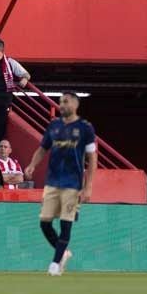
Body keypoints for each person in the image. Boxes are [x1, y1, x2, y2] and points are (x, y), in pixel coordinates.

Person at [24, 93, 97, 277]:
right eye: (60, 102)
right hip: (52, 182)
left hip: (72, 184)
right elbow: (43, 148)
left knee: (66, 224)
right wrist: (33, 164)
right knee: (45, 223)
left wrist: (88, 187)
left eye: (65, 102)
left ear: (75, 104)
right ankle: (63, 253)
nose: (61, 105)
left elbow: (92, 158)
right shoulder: (54, 126)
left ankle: (55, 264)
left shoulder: (85, 128)